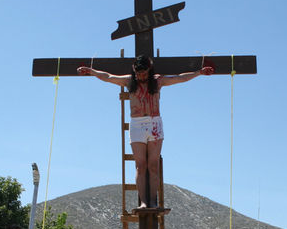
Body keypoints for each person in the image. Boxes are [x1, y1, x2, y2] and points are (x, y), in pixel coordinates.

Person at [77, 55, 214, 208]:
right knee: (140, 165)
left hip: (154, 123)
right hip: (137, 124)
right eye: (138, 73)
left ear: (149, 70)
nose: (141, 76)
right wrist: (91, 71)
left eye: (144, 73)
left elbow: (180, 78)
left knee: (153, 165)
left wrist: (199, 73)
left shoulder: (157, 81)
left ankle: (153, 201)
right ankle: (143, 202)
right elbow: (108, 77)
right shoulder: (129, 81)